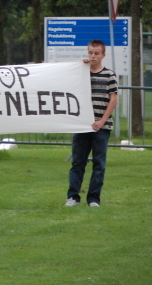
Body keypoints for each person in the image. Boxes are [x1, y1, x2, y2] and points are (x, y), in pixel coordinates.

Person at [65, 39, 118, 208]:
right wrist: (79, 65)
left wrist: (102, 120)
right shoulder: (81, 72)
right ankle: (73, 196)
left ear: (103, 55)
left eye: (96, 53)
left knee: (99, 163)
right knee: (77, 162)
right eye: (90, 52)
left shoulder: (109, 75)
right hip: (82, 125)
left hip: (101, 126)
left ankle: (94, 198)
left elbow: (113, 99)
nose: (93, 56)